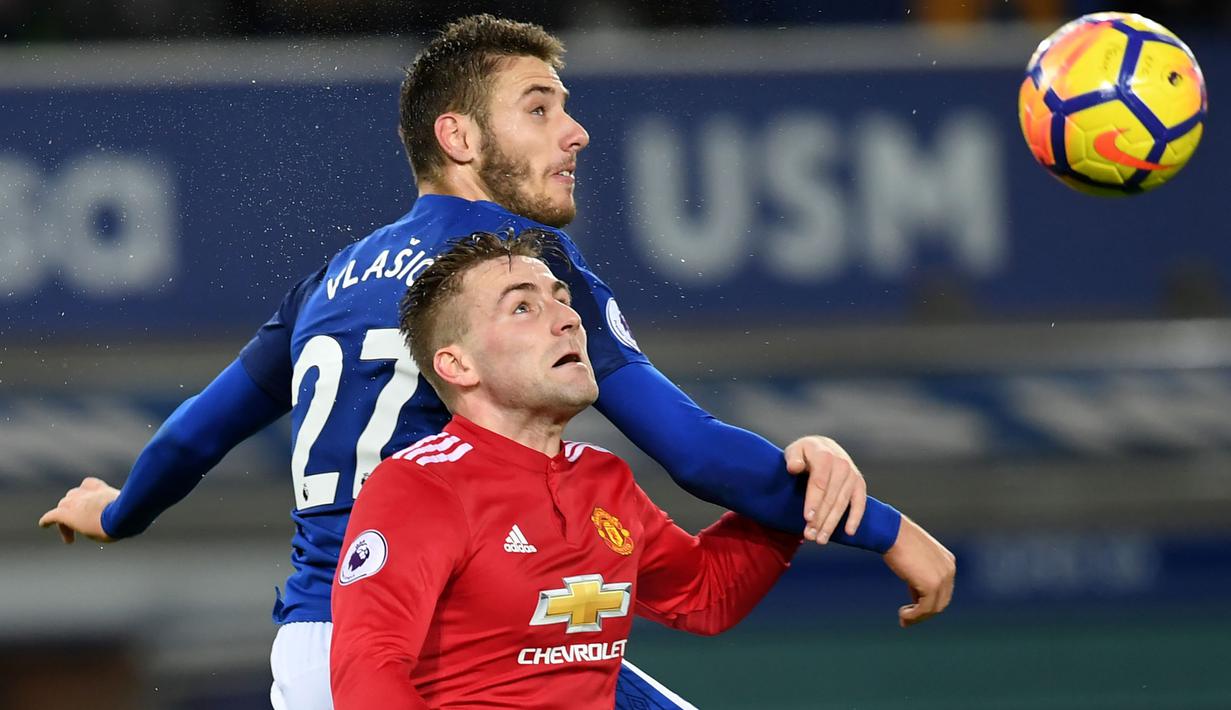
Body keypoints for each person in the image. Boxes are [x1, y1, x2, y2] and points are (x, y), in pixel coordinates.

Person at [39, 14, 956, 710]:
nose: (575, 133)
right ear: (459, 139)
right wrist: (886, 529)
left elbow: (196, 434)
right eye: (540, 107)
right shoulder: (510, 268)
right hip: (417, 649)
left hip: (326, 646)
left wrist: (120, 512)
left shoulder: (332, 276)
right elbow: (699, 455)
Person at [332, 228, 822, 708]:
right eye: (522, 307)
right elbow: (368, 671)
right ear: (458, 365)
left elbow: (704, 594)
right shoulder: (422, 484)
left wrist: (797, 486)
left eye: (562, 298)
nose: (568, 319)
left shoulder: (602, 478)